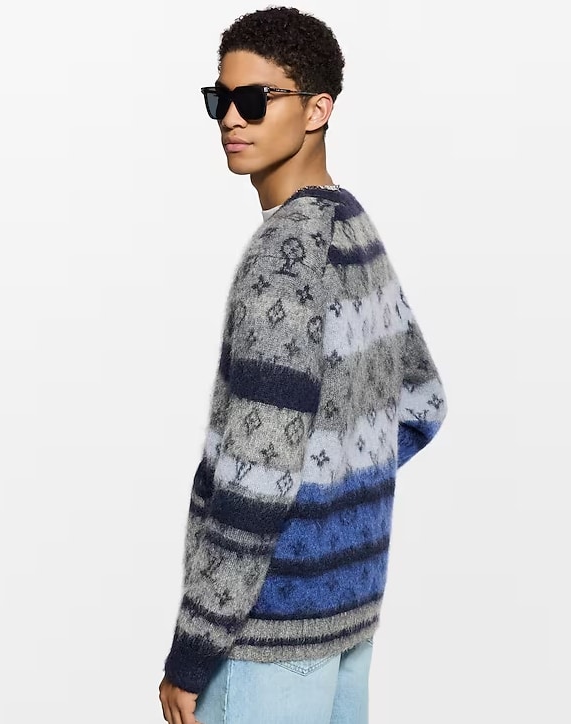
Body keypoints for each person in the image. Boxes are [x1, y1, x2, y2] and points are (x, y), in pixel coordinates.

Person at [158, 6, 448, 724]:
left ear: (318, 110)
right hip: (347, 617)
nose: (232, 117)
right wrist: (329, 503)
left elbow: (257, 479)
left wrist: (191, 656)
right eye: (220, 99)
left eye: (255, 99)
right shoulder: (352, 225)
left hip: (264, 637)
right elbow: (422, 403)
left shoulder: (280, 259)